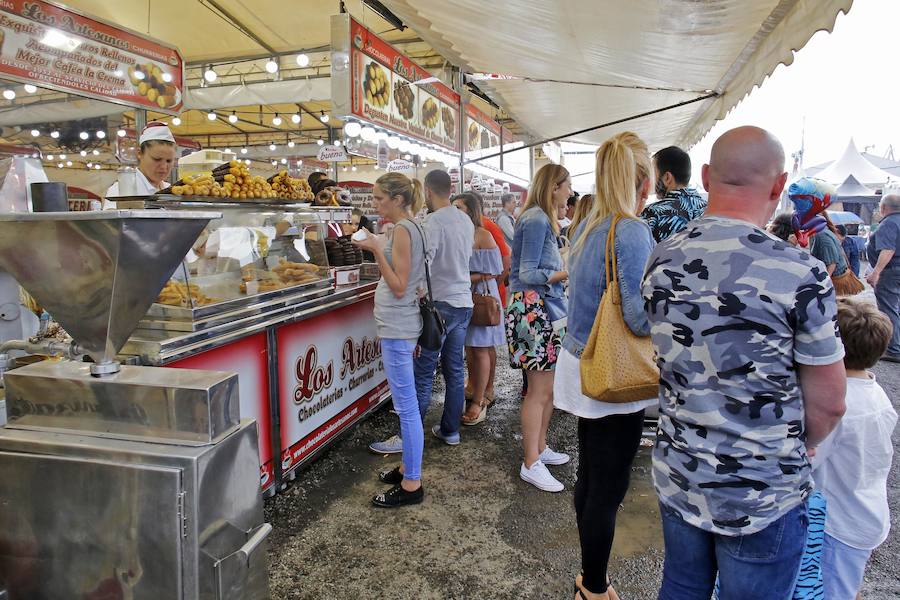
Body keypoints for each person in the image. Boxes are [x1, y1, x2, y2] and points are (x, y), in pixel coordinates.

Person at [643, 126, 847, 599]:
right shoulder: (802, 273)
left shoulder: (661, 259)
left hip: (681, 475)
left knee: (680, 587)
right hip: (763, 490)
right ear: (779, 186)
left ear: (709, 177)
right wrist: (800, 444)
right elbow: (831, 403)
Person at [554, 132, 655, 600]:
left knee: (592, 474)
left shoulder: (588, 225)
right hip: (612, 368)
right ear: (643, 181)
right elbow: (635, 314)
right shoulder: (630, 229)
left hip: (581, 362)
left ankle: (588, 577)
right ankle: (594, 586)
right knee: (607, 486)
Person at [369, 170, 475, 454]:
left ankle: (407, 438)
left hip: (439, 304)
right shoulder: (464, 219)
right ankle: (450, 429)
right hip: (464, 300)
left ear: (427, 191)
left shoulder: (433, 222)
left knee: (424, 372)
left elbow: (423, 263)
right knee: (454, 369)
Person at [812, 298, 897, 600]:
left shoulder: (838, 405)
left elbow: (809, 458)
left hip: (837, 522)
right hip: (866, 509)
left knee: (829, 589)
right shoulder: (877, 395)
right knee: (847, 582)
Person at [351, 173, 427, 508]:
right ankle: (407, 467)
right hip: (402, 325)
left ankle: (412, 483)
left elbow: (398, 285)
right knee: (406, 406)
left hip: (398, 327)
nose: (375, 204)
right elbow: (413, 284)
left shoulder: (403, 231)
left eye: (380, 198)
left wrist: (375, 249)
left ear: (398, 199)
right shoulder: (411, 227)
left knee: (407, 408)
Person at [507, 163, 571, 493]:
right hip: (533, 309)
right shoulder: (535, 219)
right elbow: (527, 272)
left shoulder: (539, 218)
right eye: (567, 186)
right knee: (539, 389)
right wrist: (563, 273)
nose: (570, 192)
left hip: (539, 308)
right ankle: (531, 461)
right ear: (554, 186)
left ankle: (540, 449)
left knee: (545, 388)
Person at [453, 192, 505, 425]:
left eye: (460, 207)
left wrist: (466, 276)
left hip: (481, 295)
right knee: (471, 349)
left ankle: (480, 399)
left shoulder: (482, 235)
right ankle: (475, 388)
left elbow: (495, 270)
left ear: (471, 210)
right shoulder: (457, 235)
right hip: (466, 295)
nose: (455, 211)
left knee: (481, 349)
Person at [640, 145, 707, 242]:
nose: (650, 180)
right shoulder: (708, 209)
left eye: (653, 174)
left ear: (667, 178)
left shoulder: (652, 214)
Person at [104, 122, 177, 208]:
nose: (164, 167)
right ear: (139, 153)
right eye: (157, 159)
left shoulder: (170, 190)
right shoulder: (120, 191)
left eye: (169, 161)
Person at [866, 194, 900, 362]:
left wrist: (876, 272)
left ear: (883, 208)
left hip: (892, 270)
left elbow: (888, 249)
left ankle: (894, 348)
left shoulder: (889, 223)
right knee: (896, 307)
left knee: (888, 307)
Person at [810, 213, 856, 296]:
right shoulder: (821, 232)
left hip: (836, 281)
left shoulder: (822, 235)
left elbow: (832, 263)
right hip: (837, 278)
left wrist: (823, 285)